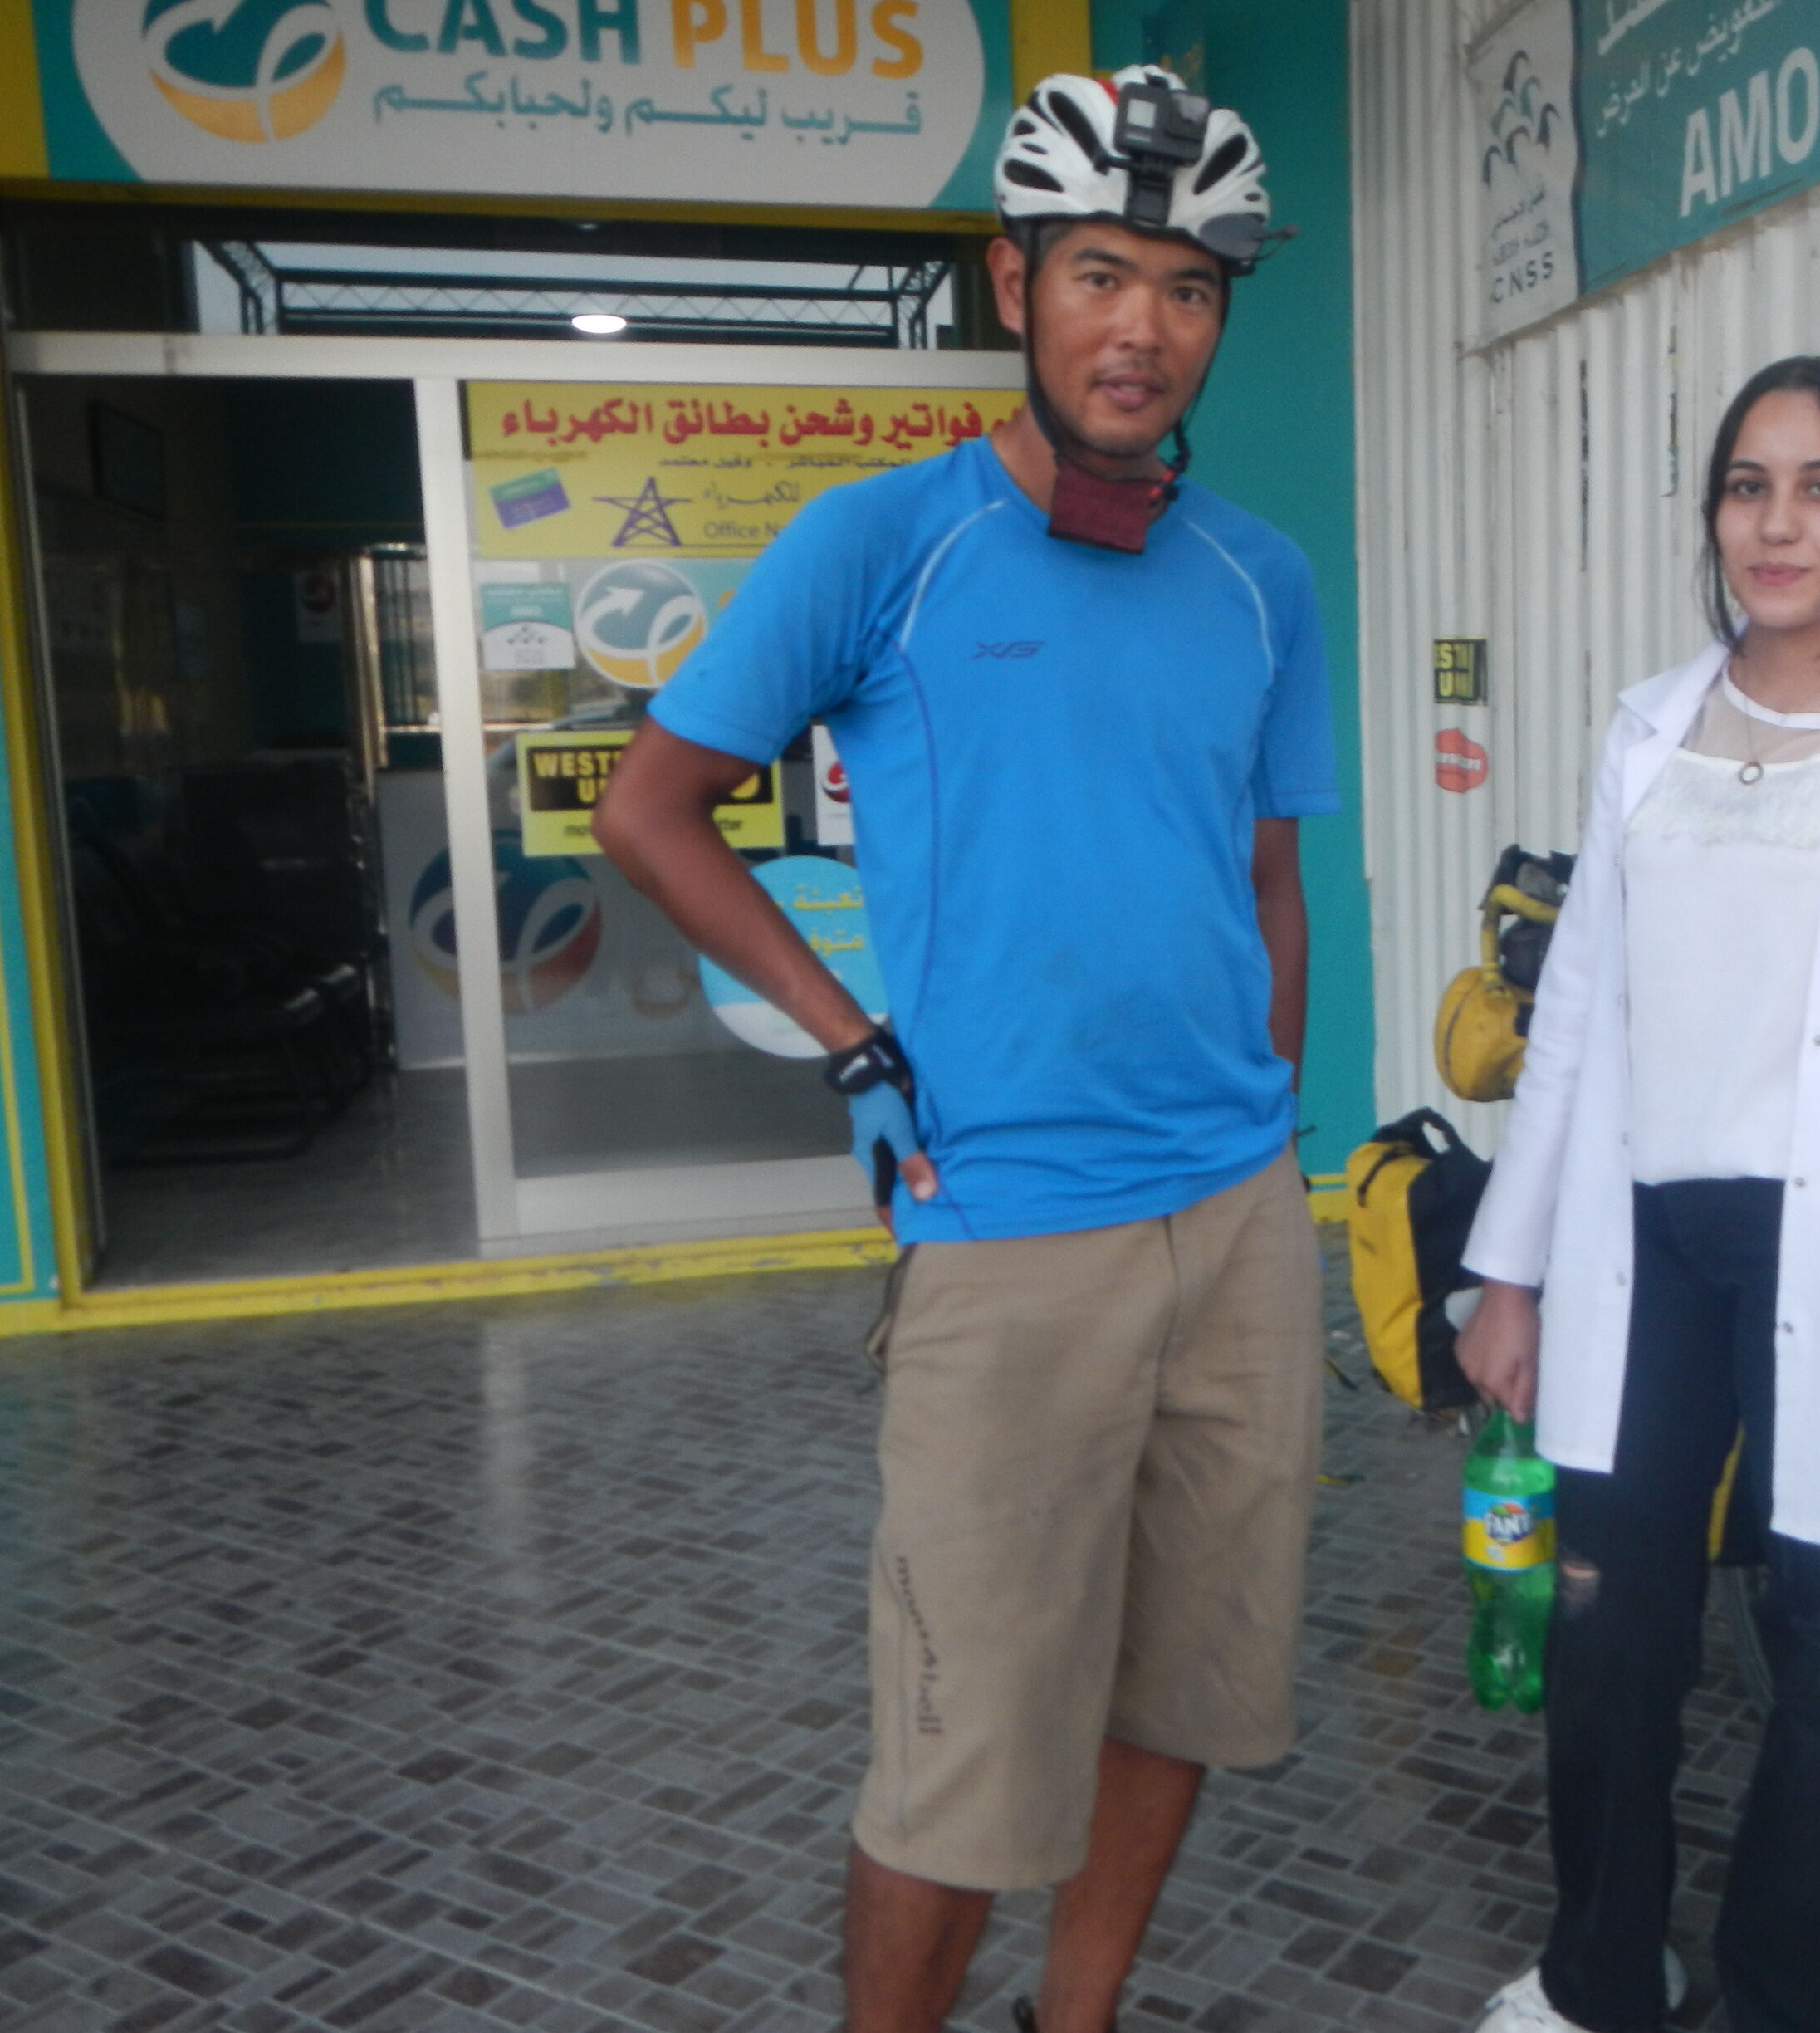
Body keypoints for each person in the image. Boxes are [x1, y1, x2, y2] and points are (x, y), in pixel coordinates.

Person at [593, 66, 1337, 2033]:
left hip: (1239, 1224)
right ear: (1014, 287)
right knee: (960, 1746)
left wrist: (1274, 1126)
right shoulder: (882, 543)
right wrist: (853, 1044)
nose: (1143, 327)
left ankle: (1072, 2021)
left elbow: (1271, 886)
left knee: (1189, 1686)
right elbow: (653, 812)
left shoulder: (1261, 578)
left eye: (1189, 287)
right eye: (1101, 274)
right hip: (1006, 1230)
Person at [1451, 356, 1820, 2033]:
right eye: (1747, 486)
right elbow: (1577, 1018)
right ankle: (1601, 1971)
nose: (1777, 525)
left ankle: (1804, 1999)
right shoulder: (1650, 727)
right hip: (1641, 1243)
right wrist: (1511, 1275)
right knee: (1608, 1629)